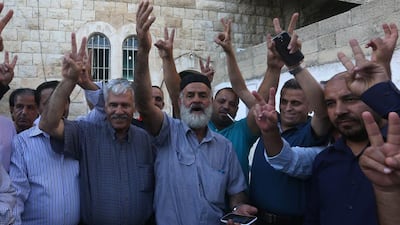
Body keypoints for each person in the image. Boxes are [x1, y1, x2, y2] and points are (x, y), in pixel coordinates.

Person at [134, 1, 256, 224]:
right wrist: (143, 50)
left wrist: (239, 208)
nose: (196, 100)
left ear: (210, 101)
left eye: (202, 96)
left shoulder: (225, 148)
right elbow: (143, 103)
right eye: (190, 96)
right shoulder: (167, 133)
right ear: (180, 102)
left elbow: (236, 191)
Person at [39, 33, 155, 225]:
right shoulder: (86, 133)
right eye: (113, 105)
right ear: (104, 106)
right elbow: (48, 124)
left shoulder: (145, 140)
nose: (119, 111)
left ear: (134, 108)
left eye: (125, 105)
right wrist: (69, 80)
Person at [248, 13, 330, 225]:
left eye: (296, 103)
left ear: (309, 105)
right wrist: (274, 67)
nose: (288, 108)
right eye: (284, 102)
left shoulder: (311, 134)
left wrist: (294, 65)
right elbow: (261, 99)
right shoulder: (266, 127)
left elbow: (323, 111)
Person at [9, 80, 80, 225]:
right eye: (49, 102)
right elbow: (16, 195)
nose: (57, 107)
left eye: (61, 100)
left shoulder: (81, 136)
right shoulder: (22, 143)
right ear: (38, 108)